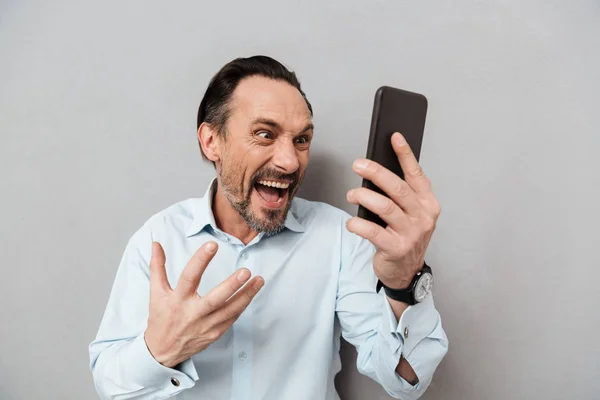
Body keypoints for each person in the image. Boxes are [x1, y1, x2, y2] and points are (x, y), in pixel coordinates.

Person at [89, 55, 448, 400]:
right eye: (264, 134)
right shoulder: (158, 240)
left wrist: (404, 284)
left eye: (302, 140)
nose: (290, 161)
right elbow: (111, 386)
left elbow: (404, 380)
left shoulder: (340, 236)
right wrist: (161, 350)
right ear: (211, 141)